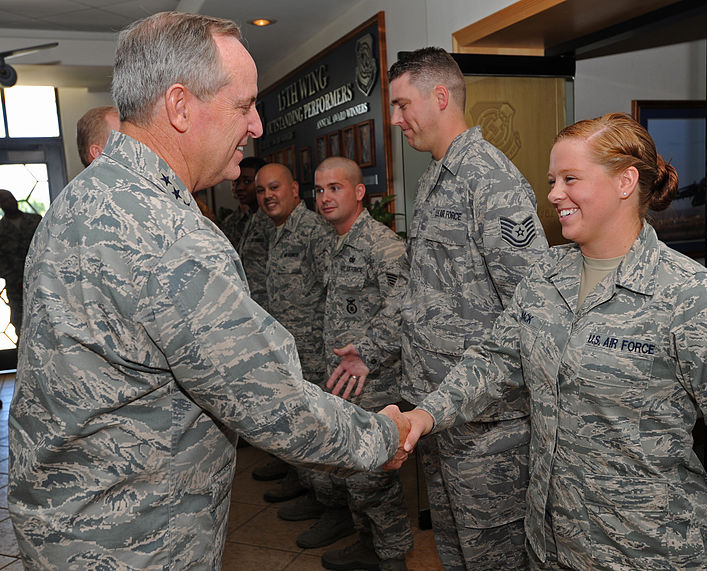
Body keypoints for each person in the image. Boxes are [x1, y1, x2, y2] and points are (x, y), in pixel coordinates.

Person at [8, 12, 409, 569]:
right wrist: (386, 437)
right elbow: (275, 406)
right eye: (244, 105)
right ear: (179, 107)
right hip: (134, 541)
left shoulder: (83, 199)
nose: (258, 126)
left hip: (66, 526)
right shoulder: (171, 234)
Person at [397, 112, 707, 570]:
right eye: (552, 179)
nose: (553, 194)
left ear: (625, 181)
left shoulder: (697, 300)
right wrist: (425, 414)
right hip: (550, 547)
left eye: (570, 178)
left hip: (650, 553)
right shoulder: (545, 275)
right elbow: (494, 361)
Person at [332, 47, 548, 570]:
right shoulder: (432, 179)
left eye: (403, 104)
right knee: (454, 550)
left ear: (441, 96)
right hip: (436, 411)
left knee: (493, 555)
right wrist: (374, 351)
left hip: (486, 426)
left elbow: (533, 306)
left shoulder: (490, 180)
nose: (395, 118)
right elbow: (419, 295)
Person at [315, 157, 413, 571]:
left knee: (374, 474)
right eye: (319, 190)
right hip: (340, 379)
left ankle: (392, 556)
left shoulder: (382, 245)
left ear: (359, 193)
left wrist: (367, 353)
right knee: (351, 467)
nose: (324, 197)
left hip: (373, 381)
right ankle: (366, 543)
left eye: (335, 188)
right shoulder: (329, 242)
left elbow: (402, 307)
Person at [253, 162, 357, 550]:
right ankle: (314, 494)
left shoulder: (311, 231)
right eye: (262, 191)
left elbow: (338, 292)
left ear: (295, 190)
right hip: (290, 355)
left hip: (316, 354)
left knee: (321, 433)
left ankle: (336, 511)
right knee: (303, 431)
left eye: (274, 187)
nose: (267, 196)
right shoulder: (277, 231)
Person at [0, 189, 41, 338]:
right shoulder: (1, 229)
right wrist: (16, 279)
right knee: (21, 326)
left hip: (41, 281)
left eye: (11, 198)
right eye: (4, 200)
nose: (9, 202)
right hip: (16, 287)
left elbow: (46, 248)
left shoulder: (36, 220)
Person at [218, 155, 264, 248]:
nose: (239, 188)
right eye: (237, 182)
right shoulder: (248, 218)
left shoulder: (273, 220)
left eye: (247, 182)